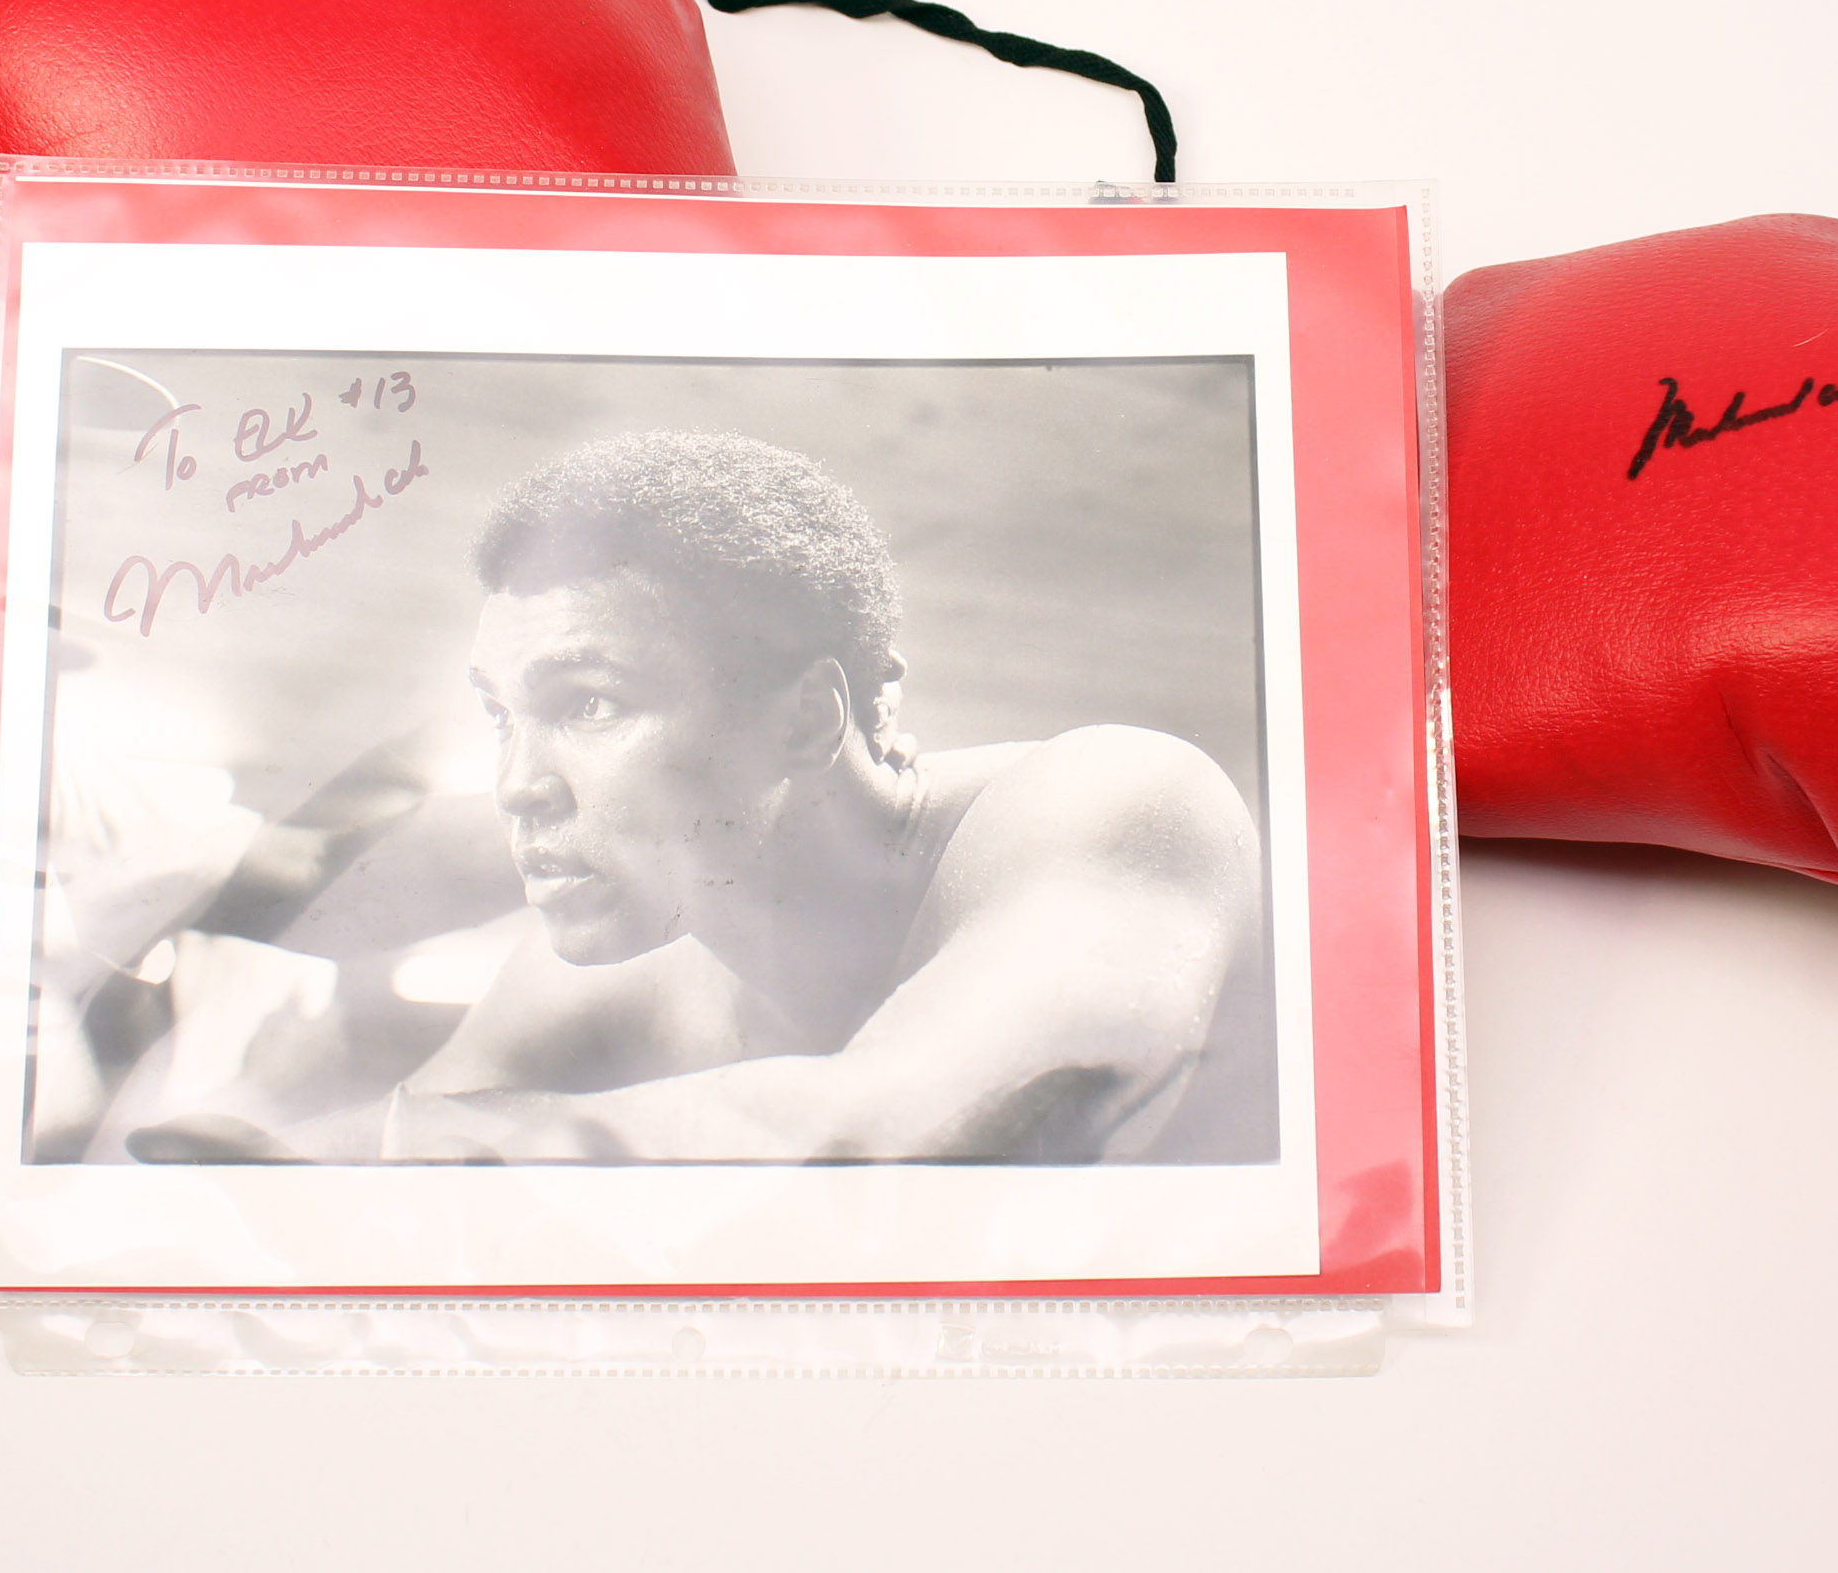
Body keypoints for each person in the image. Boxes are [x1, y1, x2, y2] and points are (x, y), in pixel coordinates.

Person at [362, 429, 1268, 1165]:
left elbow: (909, 1145)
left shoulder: (1120, 799)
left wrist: (408, 1147)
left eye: (587, 703)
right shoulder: (590, 979)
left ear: (806, 719)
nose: (518, 786)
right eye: (500, 717)